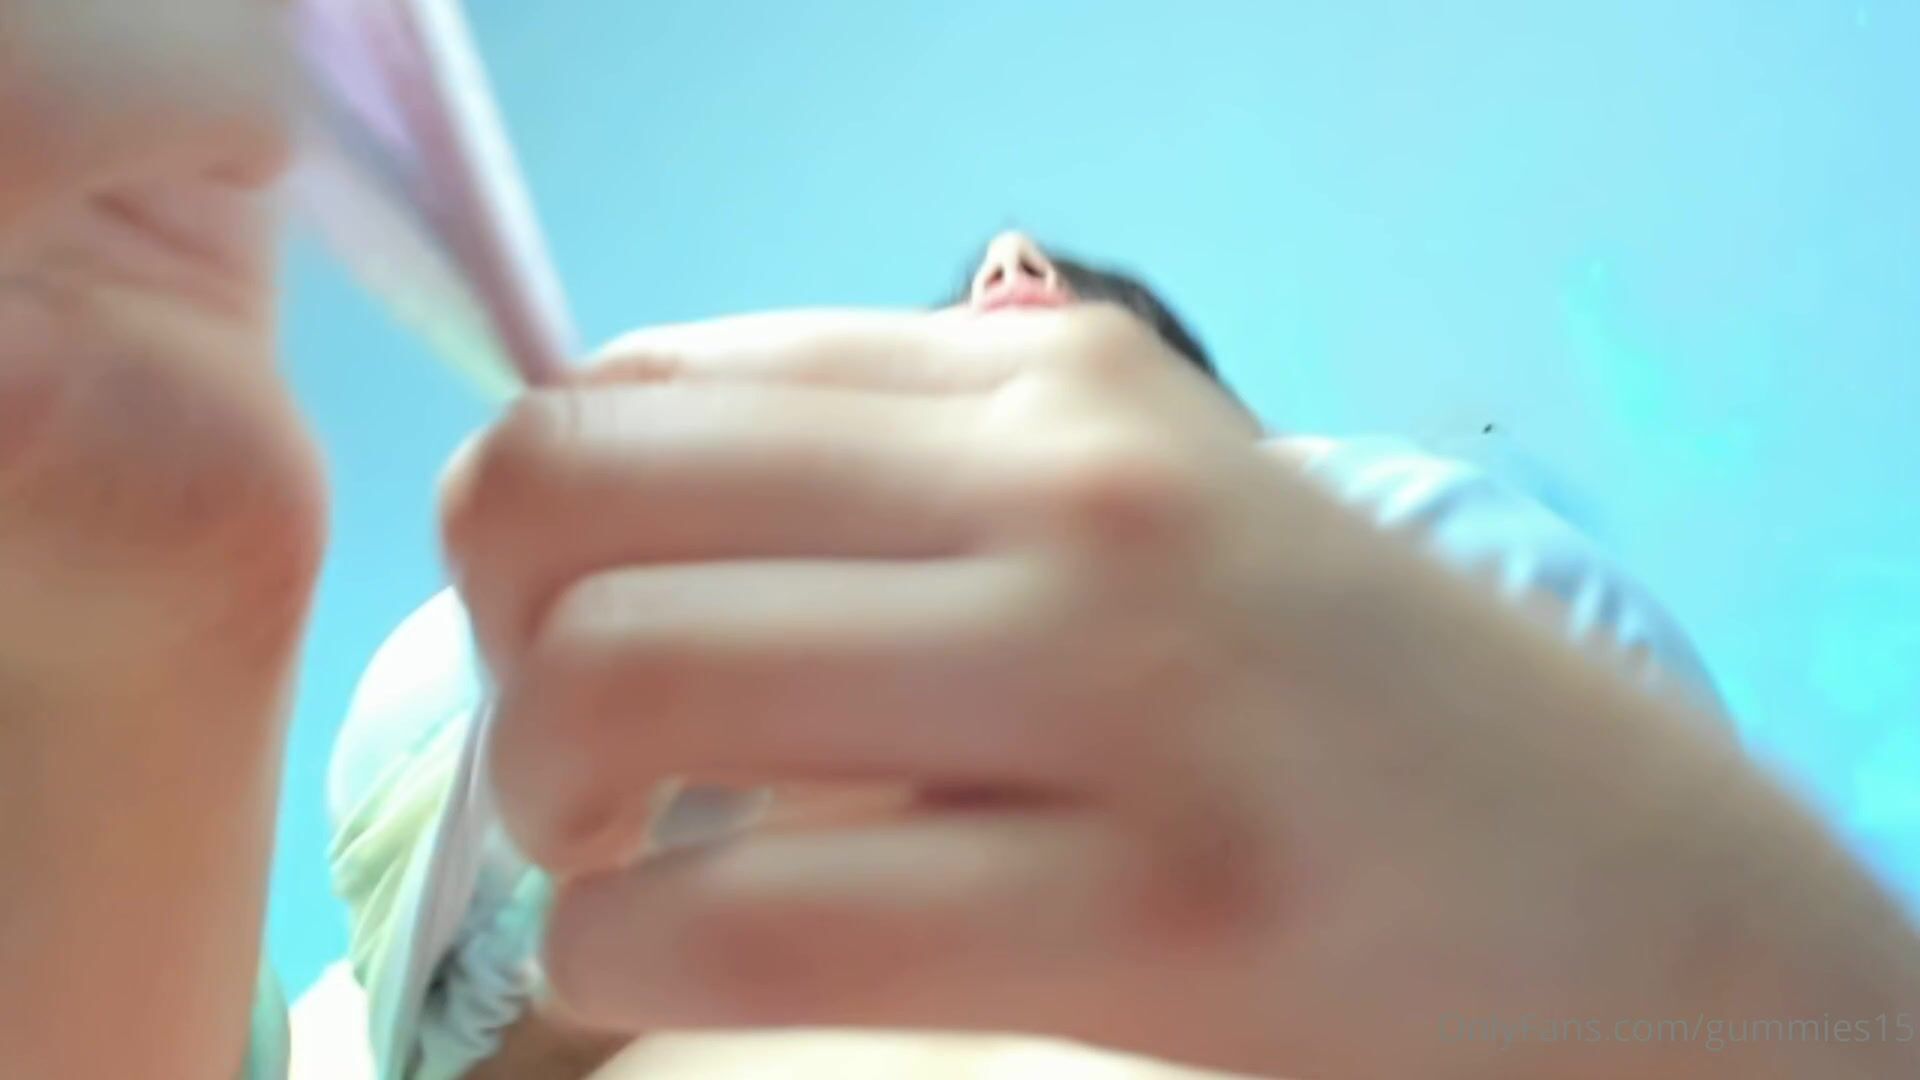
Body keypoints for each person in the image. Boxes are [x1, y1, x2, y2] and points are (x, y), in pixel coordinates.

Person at [4, 7, 1917, 1080]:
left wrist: (1747, 973)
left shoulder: (1444, 582)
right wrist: (163, 658)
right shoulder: (443, 767)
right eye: (981, 291)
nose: (1007, 258)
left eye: (1099, 310)